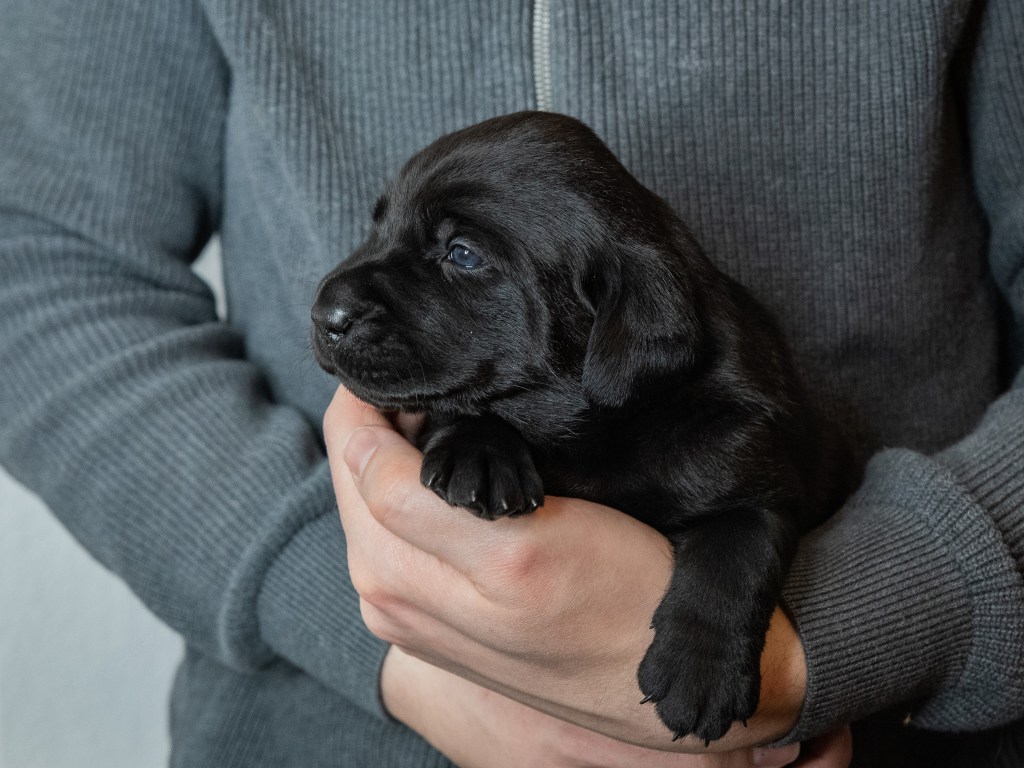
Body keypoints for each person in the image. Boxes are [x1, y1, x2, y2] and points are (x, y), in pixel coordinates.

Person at [0, 1, 1021, 766]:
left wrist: (871, 619)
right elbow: (34, 257)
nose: (343, 296)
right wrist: (358, 613)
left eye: (459, 258)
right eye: (384, 230)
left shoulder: (711, 406)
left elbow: (753, 506)